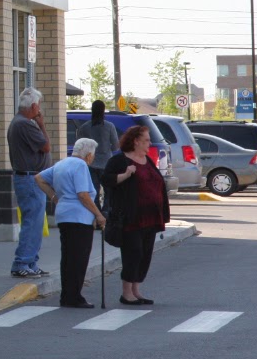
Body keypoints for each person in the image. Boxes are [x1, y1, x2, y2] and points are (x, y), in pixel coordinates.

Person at [102, 125, 169, 306]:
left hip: (151, 217)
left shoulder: (147, 160)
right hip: (130, 218)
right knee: (133, 253)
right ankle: (126, 293)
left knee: (145, 254)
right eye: (146, 140)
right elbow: (106, 180)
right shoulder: (119, 160)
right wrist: (126, 175)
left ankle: (136, 290)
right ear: (136, 141)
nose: (149, 143)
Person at [35, 137, 107, 308]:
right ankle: (74, 296)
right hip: (79, 217)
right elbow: (83, 195)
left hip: (64, 215)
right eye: (93, 155)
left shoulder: (62, 163)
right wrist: (98, 215)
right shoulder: (81, 165)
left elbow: (39, 178)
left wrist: (55, 197)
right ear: (88, 155)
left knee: (68, 257)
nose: (93, 159)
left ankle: (67, 295)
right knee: (79, 258)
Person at [7, 87, 52, 278]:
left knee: (35, 223)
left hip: (30, 178)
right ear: (33, 106)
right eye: (39, 105)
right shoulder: (25, 124)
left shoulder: (19, 123)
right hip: (29, 179)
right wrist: (41, 125)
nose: (39, 109)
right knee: (32, 223)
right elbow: (46, 146)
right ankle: (22, 263)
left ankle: (31, 262)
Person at [74, 100, 119, 211]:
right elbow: (116, 146)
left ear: (92, 110)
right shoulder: (109, 126)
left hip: (90, 164)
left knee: (93, 191)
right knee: (109, 191)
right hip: (107, 164)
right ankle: (106, 212)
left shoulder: (84, 127)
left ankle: (96, 212)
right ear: (103, 111)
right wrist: (108, 149)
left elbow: (79, 145)